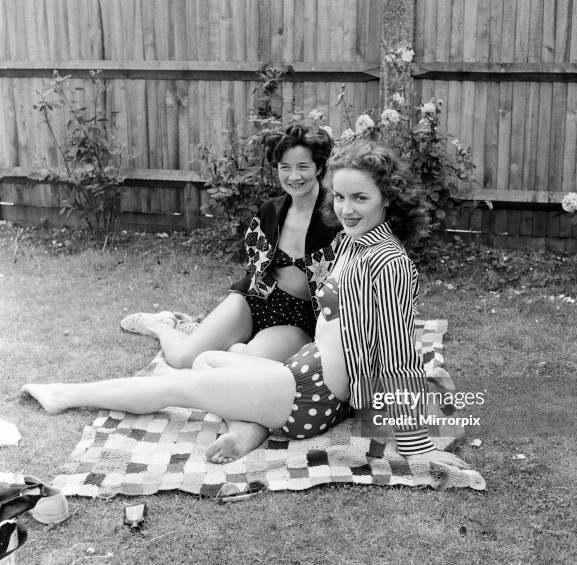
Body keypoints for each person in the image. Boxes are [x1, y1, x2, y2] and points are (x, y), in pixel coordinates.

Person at [22, 141, 468, 471]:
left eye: (361, 198)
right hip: (303, 374)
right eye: (340, 197)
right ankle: (251, 424)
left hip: (312, 394)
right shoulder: (356, 243)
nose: (346, 209)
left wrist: (416, 446)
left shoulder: (387, 261)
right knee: (211, 360)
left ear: (388, 199)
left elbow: (394, 352)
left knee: (180, 384)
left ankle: (66, 396)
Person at [120, 122, 338, 461]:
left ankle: (244, 430)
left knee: (239, 370)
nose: (293, 176)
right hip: (255, 300)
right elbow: (256, 269)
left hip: (294, 318)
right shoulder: (270, 211)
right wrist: (245, 306)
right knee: (181, 359)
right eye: (285, 168)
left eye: (303, 167)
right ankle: (164, 326)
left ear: (320, 167)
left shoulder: (335, 218)